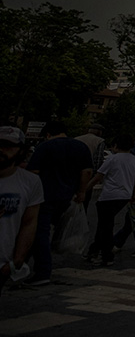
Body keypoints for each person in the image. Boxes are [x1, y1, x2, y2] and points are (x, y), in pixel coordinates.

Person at [26, 120, 92, 285]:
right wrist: (82, 191)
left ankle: (42, 272)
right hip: (67, 197)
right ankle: (22, 262)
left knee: (39, 233)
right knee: (53, 230)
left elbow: (33, 171)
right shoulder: (80, 147)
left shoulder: (45, 147)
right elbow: (87, 171)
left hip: (44, 196)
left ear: (48, 134)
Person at [83, 134, 135, 267]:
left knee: (105, 227)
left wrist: (83, 190)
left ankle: (106, 255)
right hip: (124, 196)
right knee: (105, 225)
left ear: (115, 145)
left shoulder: (112, 159)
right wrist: (133, 195)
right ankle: (94, 250)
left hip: (109, 196)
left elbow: (98, 177)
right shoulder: (134, 160)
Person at [0, 126, 42, 294]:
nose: (1, 150)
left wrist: (17, 260)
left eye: (8, 146)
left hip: (2, 262)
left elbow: (29, 222)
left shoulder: (30, 182)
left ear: (20, 151)